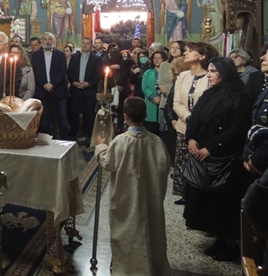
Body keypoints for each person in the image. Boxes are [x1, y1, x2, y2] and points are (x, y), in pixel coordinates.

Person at [184, 57, 252, 261]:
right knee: (207, 203)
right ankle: (218, 238)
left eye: (213, 71)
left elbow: (237, 128)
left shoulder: (239, 96)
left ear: (225, 72)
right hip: (203, 153)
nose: (209, 75)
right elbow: (195, 118)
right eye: (209, 71)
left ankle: (228, 242)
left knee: (223, 204)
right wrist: (191, 138)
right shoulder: (208, 94)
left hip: (225, 158)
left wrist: (211, 148)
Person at [95, 96, 171, 276]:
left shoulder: (120, 141)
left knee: (127, 232)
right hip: (150, 198)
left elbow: (108, 163)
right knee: (151, 232)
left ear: (126, 116)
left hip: (127, 199)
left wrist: (101, 147)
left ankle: (127, 269)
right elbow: (164, 166)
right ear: (145, 116)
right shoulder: (156, 141)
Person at [172, 41, 217, 204]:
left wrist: (198, 120)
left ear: (202, 56)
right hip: (184, 127)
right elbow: (176, 103)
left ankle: (198, 195)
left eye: (190, 51)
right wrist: (189, 117)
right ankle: (185, 194)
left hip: (204, 128)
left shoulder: (210, 77)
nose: (185, 53)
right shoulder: (183, 76)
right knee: (183, 162)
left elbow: (212, 103)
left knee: (199, 162)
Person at [32, 32, 69, 138]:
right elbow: (35, 72)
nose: (47, 41)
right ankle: (45, 140)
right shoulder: (36, 55)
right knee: (44, 118)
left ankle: (65, 141)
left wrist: (52, 84)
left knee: (62, 118)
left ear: (53, 41)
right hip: (42, 91)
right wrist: (44, 84)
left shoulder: (60, 54)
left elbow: (63, 71)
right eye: (45, 39)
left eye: (50, 39)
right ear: (42, 41)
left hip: (58, 91)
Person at [67, 37, 101, 146]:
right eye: (83, 43)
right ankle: (73, 136)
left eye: (87, 43)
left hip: (89, 90)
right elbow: (70, 71)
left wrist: (88, 83)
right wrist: (73, 82)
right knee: (74, 113)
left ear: (91, 46)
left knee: (89, 114)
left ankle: (88, 137)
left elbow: (98, 74)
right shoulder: (75, 57)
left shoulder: (96, 59)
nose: (85, 45)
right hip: (76, 90)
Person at [141, 49, 168, 135]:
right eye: (155, 58)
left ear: (163, 59)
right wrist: (152, 97)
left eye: (159, 58)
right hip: (151, 104)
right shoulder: (148, 73)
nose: (157, 60)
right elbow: (144, 87)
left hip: (164, 103)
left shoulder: (168, 73)